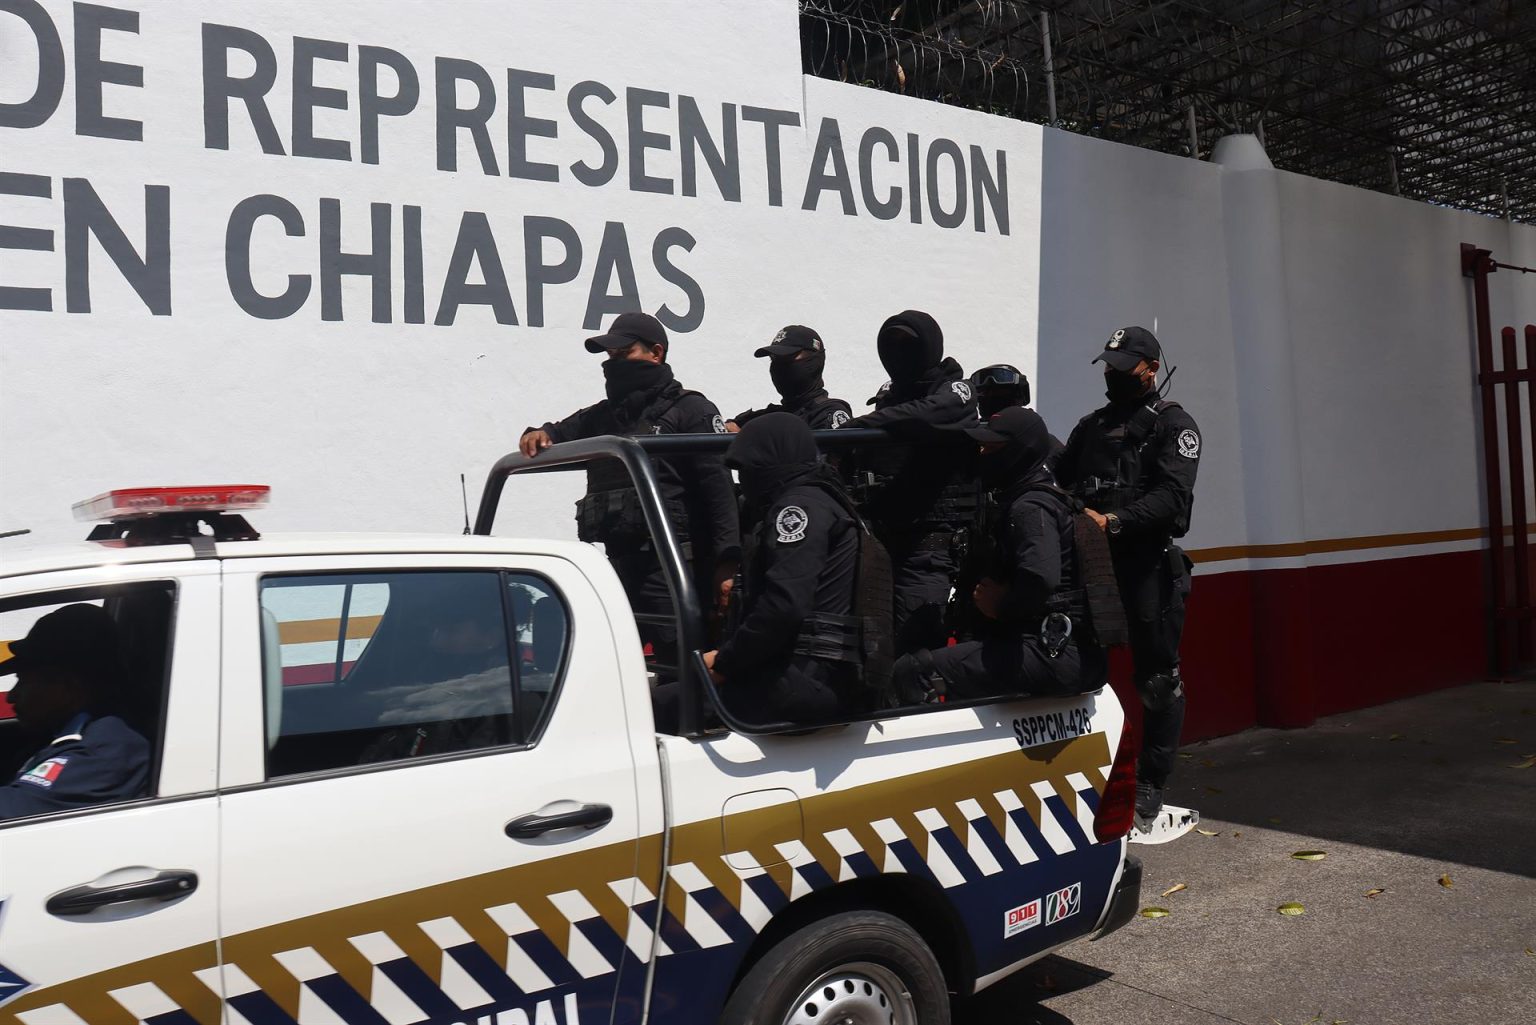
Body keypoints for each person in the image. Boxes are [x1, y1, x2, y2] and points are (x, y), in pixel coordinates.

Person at [520, 312, 740, 666]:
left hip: (674, 570)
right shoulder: (604, 416)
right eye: (610, 356)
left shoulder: (690, 411)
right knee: (605, 661)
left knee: (680, 670)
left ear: (656, 353)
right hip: (620, 567)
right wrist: (538, 432)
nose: (614, 363)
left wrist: (727, 565)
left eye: (624, 353)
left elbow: (720, 495)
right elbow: (555, 433)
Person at [1054, 325, 1201, 827]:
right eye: (1110, 368)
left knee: (1157, 681)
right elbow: (1061, 477)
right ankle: (1083, 775)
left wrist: (1115, 521)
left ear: (1151, 368)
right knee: (1076, 667)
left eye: (1125, 368)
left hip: (1145, 566)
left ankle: (1150, 784)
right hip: (1092, 566)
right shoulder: (1091, 426)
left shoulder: (1172, 426)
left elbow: (1172, 497)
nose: (1114, 377)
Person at [892, 407, 1109, 703]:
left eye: (993, 447)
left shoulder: (1030, 507)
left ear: (1020, 451)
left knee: (915, 670)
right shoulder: (1039, 497)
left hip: (1052, 651)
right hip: (1060, 648)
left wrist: (1002, 606)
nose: (982, 453)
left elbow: (1041, 576)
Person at [700, 413, 872, 725]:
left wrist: (725, 662)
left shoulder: (798, 507)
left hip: (802, 681)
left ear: (772, 463)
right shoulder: (820, 497)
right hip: (810, 676)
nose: (746, 481)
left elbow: (783, 606)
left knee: (659, 708)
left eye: (751, 469)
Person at [845, 310, 978, 654]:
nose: (899, 352)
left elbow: (931, 414)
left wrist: (867, 424)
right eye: (892, 344)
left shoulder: (955, 389)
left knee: (916, 645)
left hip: (929, 550)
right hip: (881, 543)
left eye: (908, 344)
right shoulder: (892, 397)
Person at [0, 604, 149, 820]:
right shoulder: (63, 733)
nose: (11, 696)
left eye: (23, 682)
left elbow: (10, 810)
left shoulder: (101, 754)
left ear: (69, 687)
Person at [726, 325, 852, 432]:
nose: (779, 367)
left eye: (788, 359)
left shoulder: (828, 413)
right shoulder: (768, 417)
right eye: (774, 360)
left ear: (814, 361)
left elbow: (818, 459)